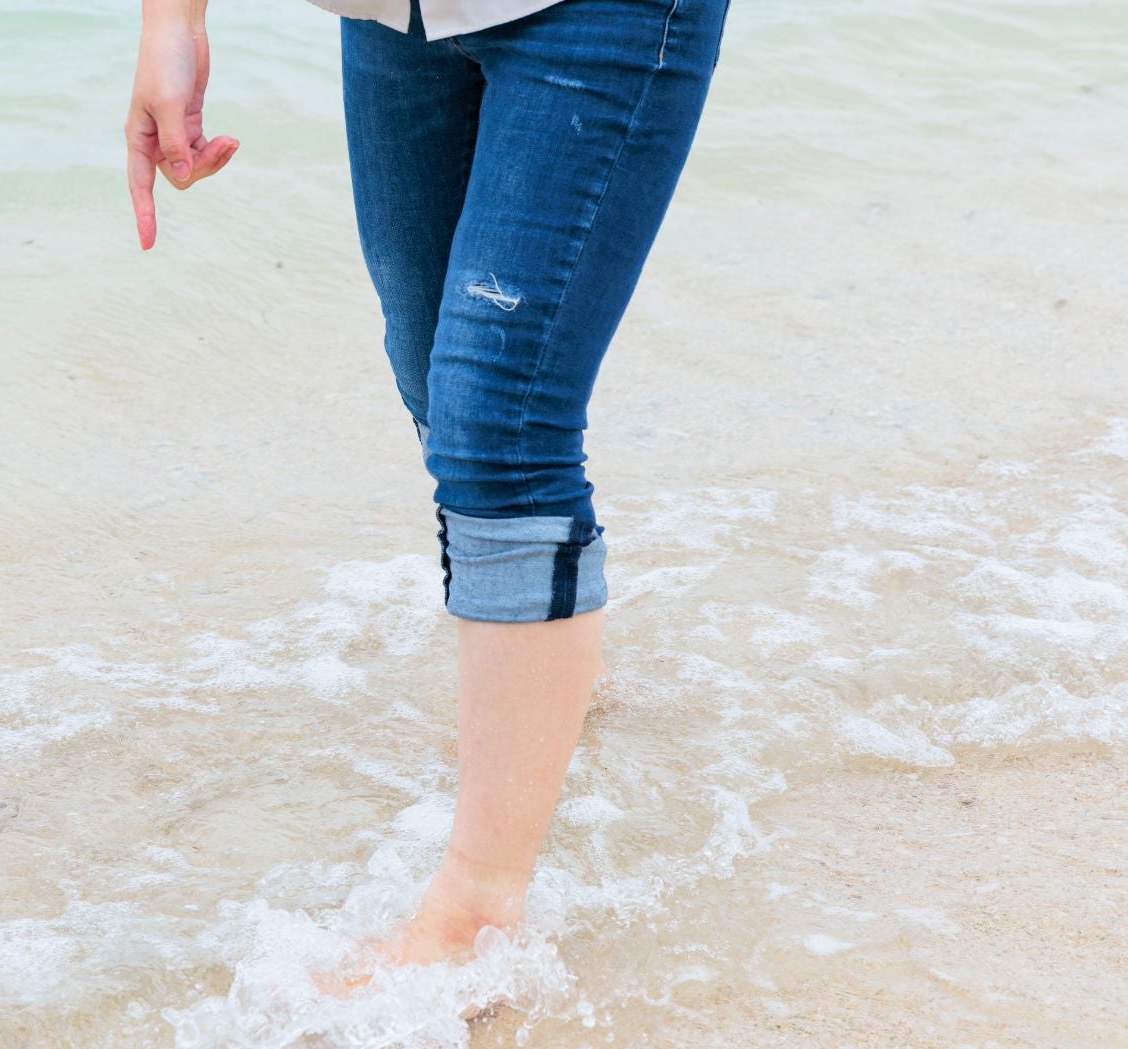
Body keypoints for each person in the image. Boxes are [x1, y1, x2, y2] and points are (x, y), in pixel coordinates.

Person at [126, 0, 729, 985]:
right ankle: (552, 683)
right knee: (438, 379)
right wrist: (171, 20)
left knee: (501, 418)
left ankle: (479, 910)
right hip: (389, 11)